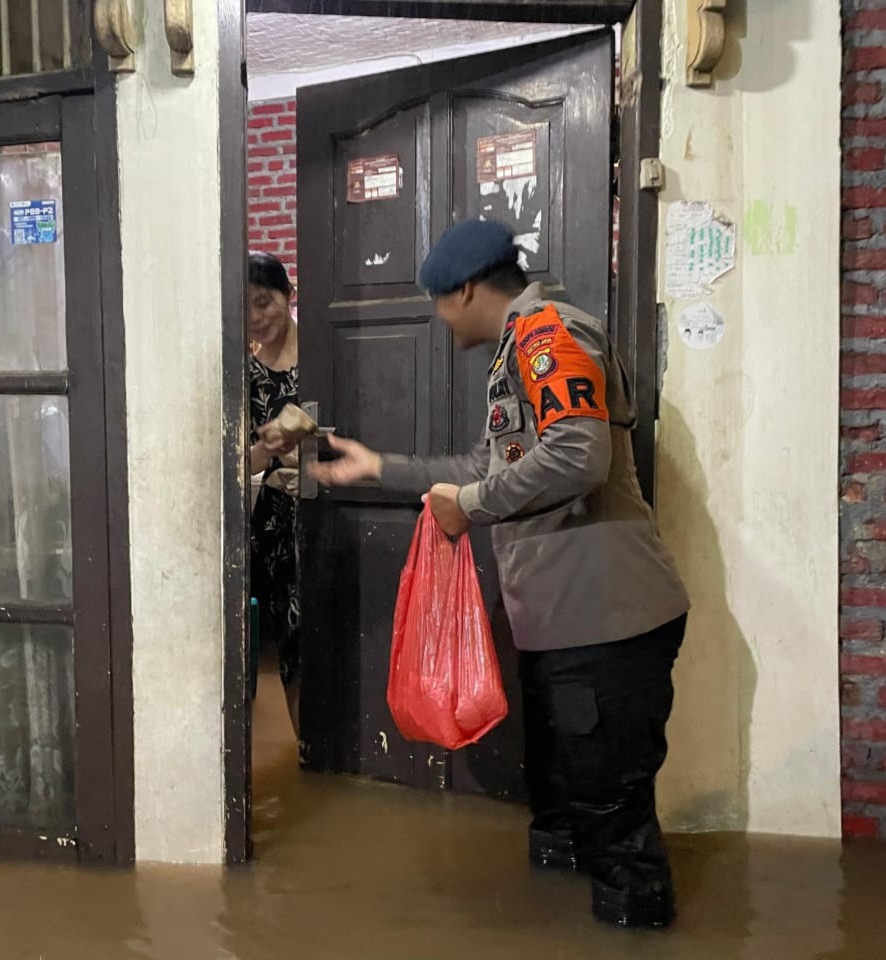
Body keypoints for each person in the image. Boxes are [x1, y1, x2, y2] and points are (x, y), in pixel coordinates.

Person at [309, 219, 691, 929]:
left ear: (463, 290)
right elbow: (490, 470)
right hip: (565, 623)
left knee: (617, 830)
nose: (438, 316)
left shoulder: (548, 337)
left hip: (608, 619)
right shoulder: (519, 348)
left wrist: (472, 507)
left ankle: (636, 931)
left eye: (437, 302)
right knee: (573, 809)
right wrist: (383, 468)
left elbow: (579, 458)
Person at [247, 252, 303, 734]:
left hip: (330, 510)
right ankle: (307, 746)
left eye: (264, 302)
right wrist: (267, 451)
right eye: (245, 308)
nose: (256, 317)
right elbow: (239, 465)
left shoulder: (325, 356)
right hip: (276, 527)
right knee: (291, 640)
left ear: (289, 296)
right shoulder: (248, 377)